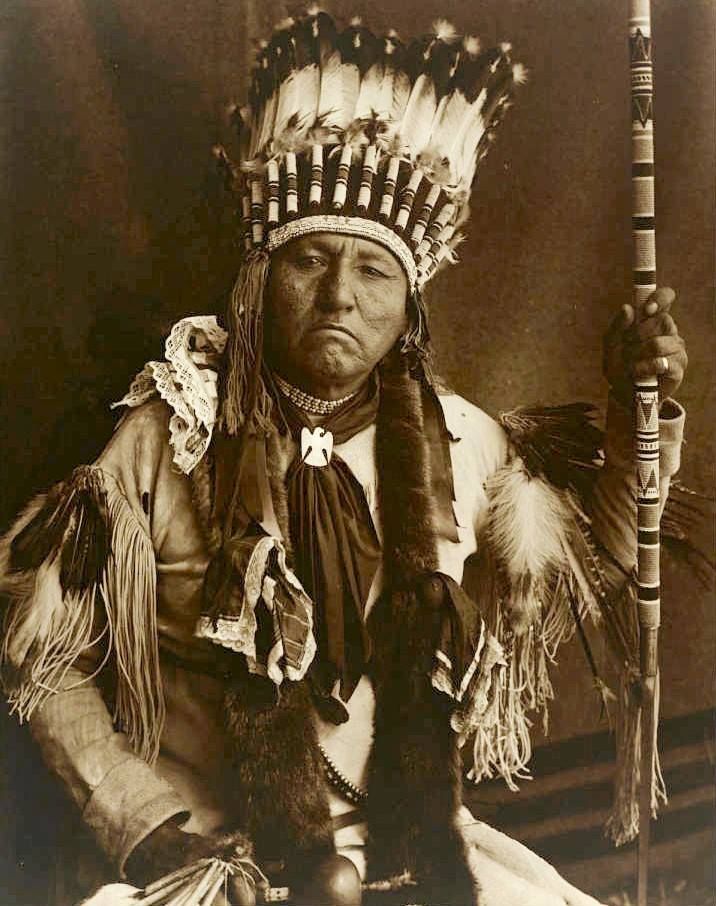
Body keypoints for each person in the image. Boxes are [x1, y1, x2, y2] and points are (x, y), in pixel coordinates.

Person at [0, 12, 687, 906]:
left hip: (413, 856)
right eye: (311, 261)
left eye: (374, 273)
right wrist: (147, 831)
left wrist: (640, 410)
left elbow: (605, 552)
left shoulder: (459, 441)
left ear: (411, 304)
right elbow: (37, 654)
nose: (339, 297)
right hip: (215, 862)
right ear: (260, 278)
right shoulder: (171, 432)